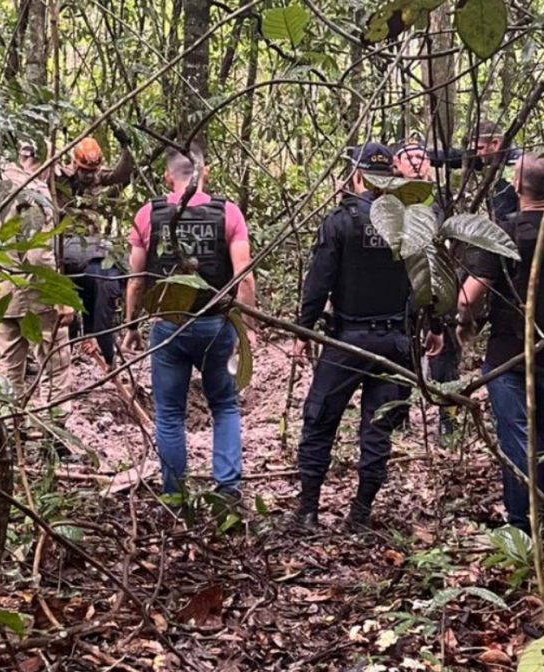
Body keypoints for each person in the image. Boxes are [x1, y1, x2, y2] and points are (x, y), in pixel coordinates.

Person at [290, 142, 443, 531]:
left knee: (320, 419)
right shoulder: (413, 221)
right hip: (393, 342)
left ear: (356, 175)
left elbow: (318, 281)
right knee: (377, 430)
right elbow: (428, 282)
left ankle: (308, 510)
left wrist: (304, 331)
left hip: (347, 340)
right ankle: (359, 515)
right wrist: (435, 326)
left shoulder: (341, 221)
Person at [456, 155, 544, 534]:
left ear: (517, 187)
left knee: (515, 434)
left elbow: (468, 297)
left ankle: (520, 522)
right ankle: (541, 507)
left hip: (509, 350)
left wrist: (463, 325)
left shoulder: (504, 234)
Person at [122, 143, 257, 500]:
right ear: (205, 172)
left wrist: (131, 326)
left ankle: (174, 495)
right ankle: (227, 489)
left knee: (169, 414)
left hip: (168, 328)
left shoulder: (147, 214)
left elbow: (136, 279)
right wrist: (247, 330)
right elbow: (244, 277)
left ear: (168, 177)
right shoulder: (228, 212)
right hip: (216, 325)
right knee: (225, 406)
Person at [0, 141, 73, 426]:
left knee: (10, 368)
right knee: (54, 363)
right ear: (43, 161)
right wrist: (61, 298)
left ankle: (10, 432)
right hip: (34, 295)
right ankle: (54, 436)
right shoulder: (35, 194)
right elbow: (39, 255)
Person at [393, 138, 461, 441]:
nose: (417, 162)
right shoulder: (390, 200)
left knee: (446, 358)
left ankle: (449, 421)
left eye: (422, 156)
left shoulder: (443, 199)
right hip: (400, 289)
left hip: (440, 285)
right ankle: (399, 420)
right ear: (396, 165)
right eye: (409, 157)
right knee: (401, 356)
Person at [57, 134, 134, 364]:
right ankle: (68, 346)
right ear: (75, 164)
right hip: (64, 243)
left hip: (91, 245)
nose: (89, 177)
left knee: (95, 292)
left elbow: (121, 174)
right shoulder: (61, 177)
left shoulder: (98, 177)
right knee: (66, 296)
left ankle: (91, 341)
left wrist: (126, 145)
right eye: (84, 171)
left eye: (93, 171)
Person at [474, 121, 519, 221]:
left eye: (480, 148)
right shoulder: (488, 158)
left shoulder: (517, 163)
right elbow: (460, 157)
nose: (477, 153)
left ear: (495, 144)